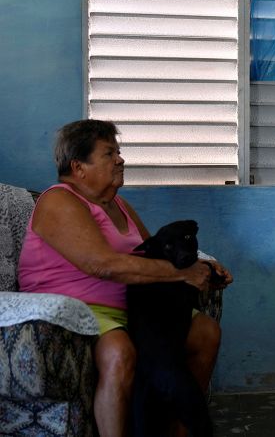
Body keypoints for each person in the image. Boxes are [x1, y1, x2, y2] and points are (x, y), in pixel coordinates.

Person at [17, 119, 234, 437]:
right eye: (109, 153)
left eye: (118, 151)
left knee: (205, 332)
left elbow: (153, 254)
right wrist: (183, 273)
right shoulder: (58, 200)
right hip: (78, 309)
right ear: (79, 167)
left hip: (131, 305)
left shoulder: (118, 204)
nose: (120, 159)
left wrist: (205, 270)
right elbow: (102, 265)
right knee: (119, 350)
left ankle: (178, 431)